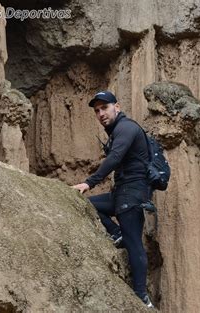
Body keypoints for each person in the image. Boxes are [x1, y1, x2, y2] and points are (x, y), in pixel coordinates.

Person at [72, 91, 154, 308]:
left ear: (116, 107)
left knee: (135, 244)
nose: (100, 113)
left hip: (132, 194)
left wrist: (89, 182)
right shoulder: (116, 130)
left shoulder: (126, 128)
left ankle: (141, 297)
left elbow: (115, 158)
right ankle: (118, 234)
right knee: (87, 204)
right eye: (97, 110)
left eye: (104, 108)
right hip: (121, 194)